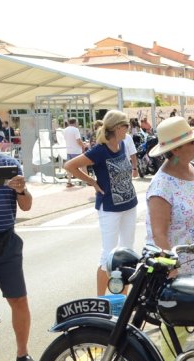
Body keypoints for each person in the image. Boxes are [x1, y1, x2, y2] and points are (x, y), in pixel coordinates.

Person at [0, 113, 36, 361]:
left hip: (6, 241)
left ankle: (22, 354)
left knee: (18, 299)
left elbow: (27, 207)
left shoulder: (10, 164)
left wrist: (21, 190)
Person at [65, 111, 137, 295]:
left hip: (129, 203)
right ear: (118, 127)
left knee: (127, 254)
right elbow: (69, 166)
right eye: (126, 126)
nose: (128, 130)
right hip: (110, 207)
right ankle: (100, 300)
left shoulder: (122, 144)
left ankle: (123, 298)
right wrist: (92, 181)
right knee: (108, 255)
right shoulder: (99, 150)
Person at [146, 116, 194, 275]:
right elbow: (158, 235)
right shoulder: (161, 187)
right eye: (192, 142)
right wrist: (172, 270)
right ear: (175, 149)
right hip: (186, 275)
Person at [62, 118, 86, 188]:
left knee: (69, 167)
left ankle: (69, 181)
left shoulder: (65, 130)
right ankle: (85, 181)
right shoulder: (76, 130)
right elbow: (78, 140)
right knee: (83, 165)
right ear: (75, 122)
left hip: (68, 150)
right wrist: (83, 146)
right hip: (76, 150)